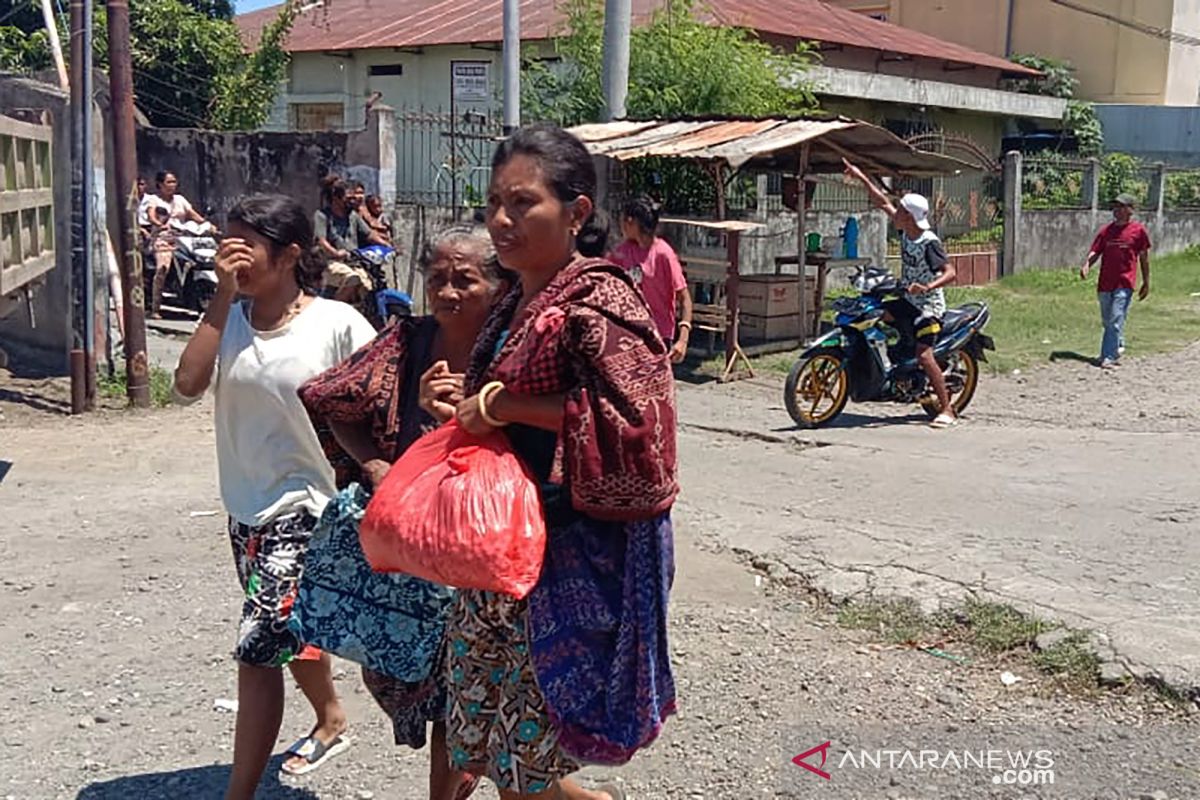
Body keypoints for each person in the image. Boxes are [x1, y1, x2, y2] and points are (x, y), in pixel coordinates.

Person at [428, 123, 678, 800]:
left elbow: (635, 420)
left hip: (568, 557)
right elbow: (507, 407)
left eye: (522, 204)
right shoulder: (516, 300)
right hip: (501, 551)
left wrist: (502, 404)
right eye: (493, 205)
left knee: (529, 749)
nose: (501, 221)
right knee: (503, 743)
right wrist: (466, 404)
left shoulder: (601, 297)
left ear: (578, 213)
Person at [172, 194, 376, 800]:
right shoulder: (228, 319)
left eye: (247, 243)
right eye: (227, 240)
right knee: (289, 629)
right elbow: (185, 384)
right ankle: (332, 717)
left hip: (309, 510)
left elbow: (380, 395)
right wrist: (220, 297)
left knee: (259, 644)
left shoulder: (335, 323)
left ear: (289, 256)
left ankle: (238, 793)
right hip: (246, 507)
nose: (232, 252)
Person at [299, 226, 510, 800]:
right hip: (415, 554)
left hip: (489, 558)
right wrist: (372, 464)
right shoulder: (405, 343)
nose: (448, 292)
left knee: (457, 699)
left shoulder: (515, 348)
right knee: (417, 682)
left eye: (464, 279)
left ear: (496, 284)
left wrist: (475, 414)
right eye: (437, 278)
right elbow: (330, 400)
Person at [843, 159, 959, 429]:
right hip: (908, 299)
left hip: (928, 307)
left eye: (902, 209)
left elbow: (951, 272)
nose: (896, 212)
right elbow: (881, 200)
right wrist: (861, 176)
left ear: (910, 215)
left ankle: (947, 409)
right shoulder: (905, 230)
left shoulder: (929, 242)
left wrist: (927, 287)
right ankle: (892, 368)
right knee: (872, 315)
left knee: (925, 355)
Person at [609, 195, 693, 363]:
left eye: (622, 220)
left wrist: (682, 339)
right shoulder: (622, 251)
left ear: (630, 222)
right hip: (629, 336)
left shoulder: (663, 254)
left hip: (659, 336)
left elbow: (685, 299)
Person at [1080, 193, 1151, 369]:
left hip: (1125, 283)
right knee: (1107, 320)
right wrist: (1087, 264)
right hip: (1105, 283)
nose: (1116, 210)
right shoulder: (1106, 231)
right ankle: (1117, 344)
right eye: (1115, 207)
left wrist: (1146, 282)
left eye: (1121, 206)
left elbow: (1144, 258)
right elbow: (1096, 251)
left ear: (1130, 210)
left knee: (1115, 318)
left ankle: (1108, 357)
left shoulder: (1138, 231)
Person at [138, 170, 211, 318]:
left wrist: (209, 225)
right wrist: (159, 224)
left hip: (184, 238)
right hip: (164, 238)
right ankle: (155, 309)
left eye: (174, 182)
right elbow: (151, 216)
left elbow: (193, 215)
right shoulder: (154, 200)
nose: (172, 185)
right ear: (160, 184)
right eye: (169, 182)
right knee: (162, 268)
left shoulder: (180, 199)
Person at [314, 176, 386, 304]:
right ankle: (333, 311)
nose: (353, 201)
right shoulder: (322, 216)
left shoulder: (353, 216)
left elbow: (369, 234)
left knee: (368, 286)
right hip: (330, 263)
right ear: (336, 199)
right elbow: (321, 241)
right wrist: (335, 253)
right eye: (348, 199)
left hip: (353, 262)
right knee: (353, 279)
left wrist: (387, 245)